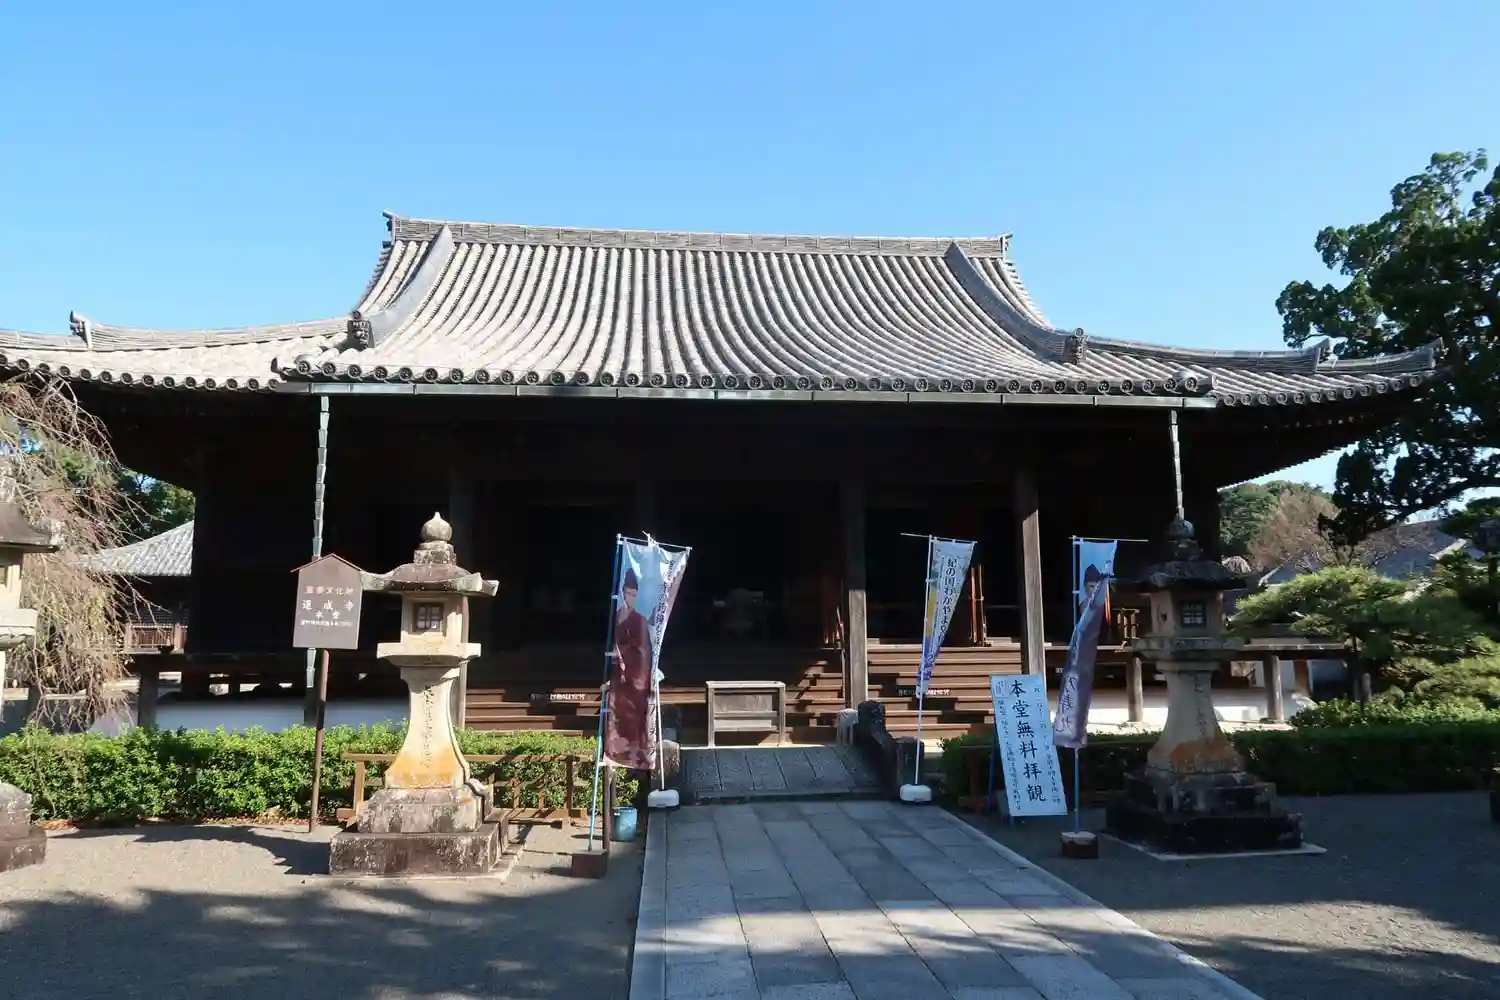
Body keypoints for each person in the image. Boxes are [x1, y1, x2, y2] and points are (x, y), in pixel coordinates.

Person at [605, 567, 655, 769]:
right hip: (620, 676)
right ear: (623, 593)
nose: (631, 598)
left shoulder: (640, 620)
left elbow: (644, 651)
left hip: (637, 675)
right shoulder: (617, 617)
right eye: (628, 593)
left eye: (634, 594)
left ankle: (638, 754)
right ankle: (618, 752)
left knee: (637, 717)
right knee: (619, 716)